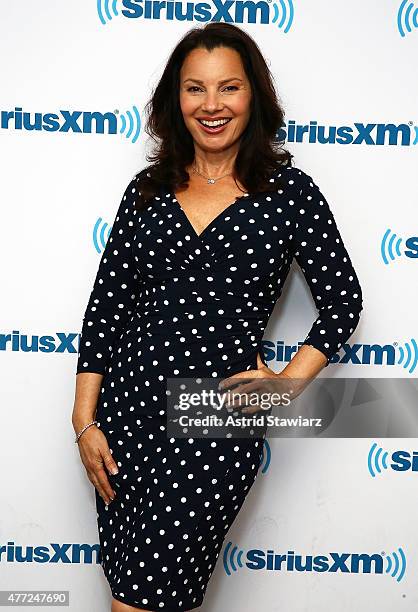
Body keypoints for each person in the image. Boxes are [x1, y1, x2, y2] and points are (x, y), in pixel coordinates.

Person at [71, 22, 363, 612]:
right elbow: (106, 311)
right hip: (127, 414)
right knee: (137, 592)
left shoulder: (290, 193)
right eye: (194, 89)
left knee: (148, 598)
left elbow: (342, 300)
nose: (211, 105)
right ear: (174, 100)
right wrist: (84, 420)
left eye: (228, 87)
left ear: (253, 95)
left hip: (215, 414)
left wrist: (285, 385)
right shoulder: (147, 191)